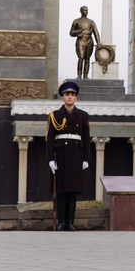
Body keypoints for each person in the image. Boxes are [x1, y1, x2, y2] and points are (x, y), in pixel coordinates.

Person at [46, 81, 91, 231]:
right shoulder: (54, 116)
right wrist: (50, 159)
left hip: (76, 155)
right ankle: (61, 222)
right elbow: (50, 139)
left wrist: (86, 159)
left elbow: (86, 138)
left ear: (76, 98)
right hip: (60, 155)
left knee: (72, 190)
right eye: (67, 94)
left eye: (72, 95)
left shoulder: (83, 116)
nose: (70, 97)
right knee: (60, 190)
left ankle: (70, 222)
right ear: (62, 98)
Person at [69, 6, 101, 79]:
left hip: (89, 40)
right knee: (81, 57)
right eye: (84, 10)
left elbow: (96, 33)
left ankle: (86, 75)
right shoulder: (76, 21)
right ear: (81, 11)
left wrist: (98, 42)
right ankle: (79, 75)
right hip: (80, 40)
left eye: (87, 10)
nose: (86, 12)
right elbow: (71, 32)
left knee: (87, 59)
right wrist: (78, 32)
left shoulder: (91, 22)